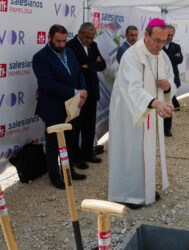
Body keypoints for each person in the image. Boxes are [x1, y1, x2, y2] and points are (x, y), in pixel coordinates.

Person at [108, 18, 176, 209]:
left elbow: (171, 77)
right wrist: (154, 102)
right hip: (129, 114)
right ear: (146, 35)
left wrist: (168, 85)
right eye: (156, 40)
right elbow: (133, 88)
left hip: (149, 111)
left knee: (146, 152)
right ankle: (129, 194)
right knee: (131, 152)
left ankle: (145, 189)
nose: (160, 46)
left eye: (164, 41)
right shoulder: (132, 55)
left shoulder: (161, 56)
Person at [32, 24, 87, 189]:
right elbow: (48, 85)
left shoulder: (69, 52)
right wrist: (75, 91)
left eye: (64, 41)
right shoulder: (40, 57)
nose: (62, 45)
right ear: (49, 38)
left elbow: (78, 73)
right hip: (53, 108)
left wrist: (82, 92)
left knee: (70, 142)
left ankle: (69, 171)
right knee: (53, 146)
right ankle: (54, 177)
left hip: (72, 107)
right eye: (58, 41)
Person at [67, 22, 106, 164]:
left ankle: (88, 153)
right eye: (87, 37)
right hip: (78, 93)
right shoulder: (70, 46)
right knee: (76, 128)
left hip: (92, 91)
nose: (89, 40)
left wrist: (88, 65)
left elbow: (102, 65)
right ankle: (76, 158)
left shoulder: (93, 46)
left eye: (92, 37)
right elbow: (76, 69)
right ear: (79, 32)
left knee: (89, 126)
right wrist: (93, 64)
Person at [162, 24, 183, 137]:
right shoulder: (159, 45)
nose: (170, 37)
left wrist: (167, 57)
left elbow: (180, 59)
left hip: (172, 79)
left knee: (169, 104)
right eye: (168, 35)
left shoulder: (176, 46)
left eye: (172, 35)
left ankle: (167, 128)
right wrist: (172, 57)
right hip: (160, 80)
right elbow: (174, 58)